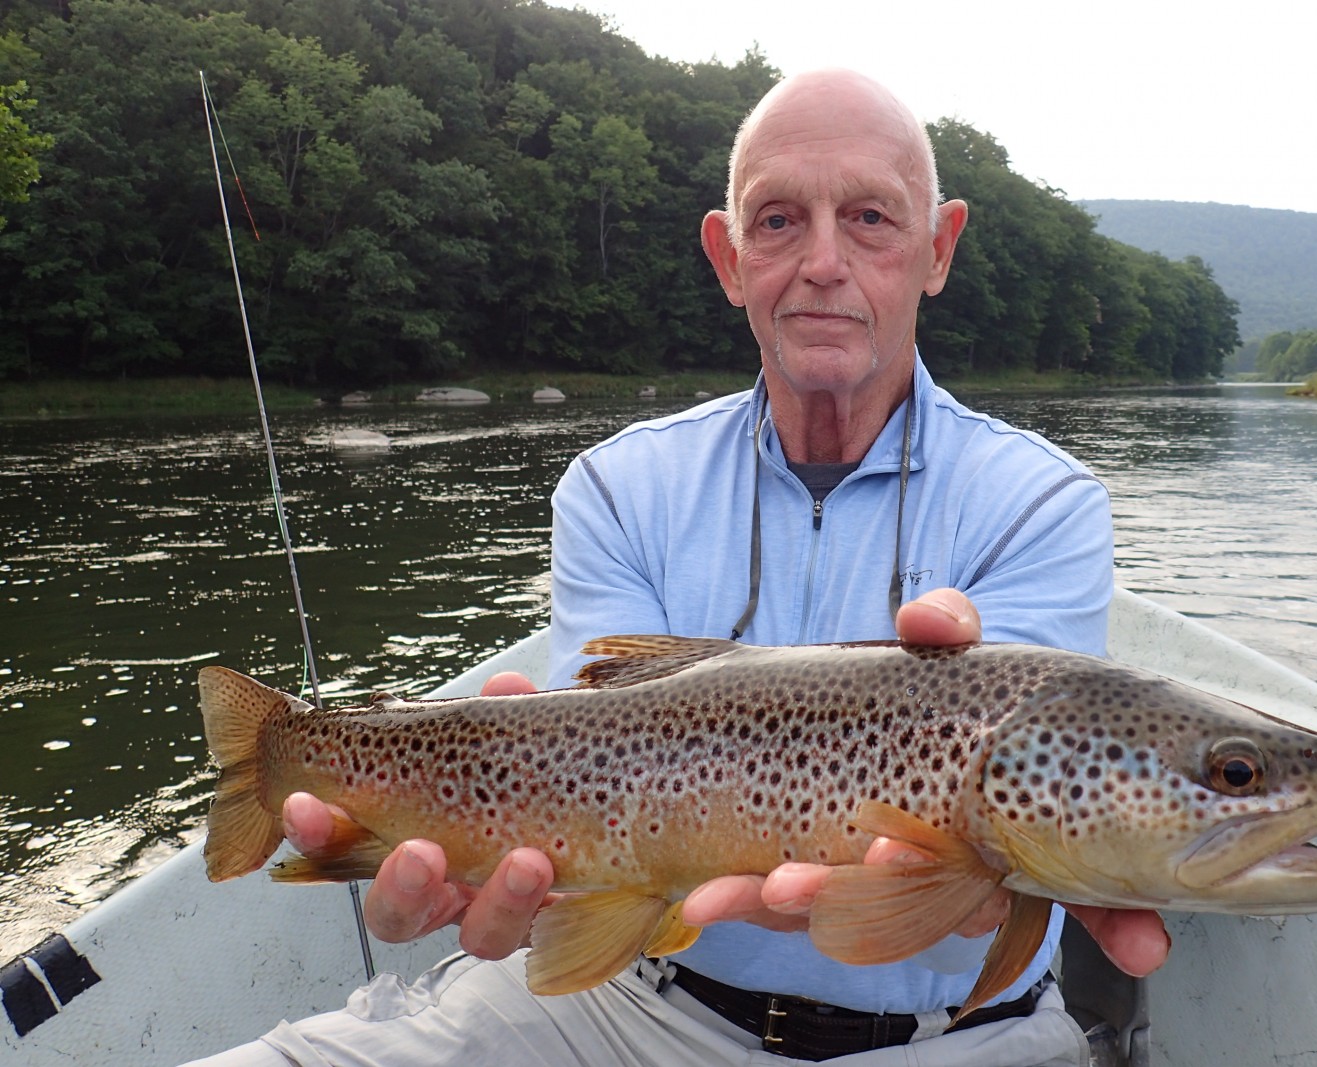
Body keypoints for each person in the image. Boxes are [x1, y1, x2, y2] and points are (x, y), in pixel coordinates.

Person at [190, 68, 1168, 1066]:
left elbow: (1032, 813)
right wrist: (487, 844)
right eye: (779, 220)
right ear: (729, 257)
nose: (824, 261)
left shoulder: (1043, 500)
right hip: (629, 1004)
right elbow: (589, 741)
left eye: (870, 217)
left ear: (938, 248)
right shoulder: (616, 485)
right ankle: (277, 750)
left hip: (960, 1036)